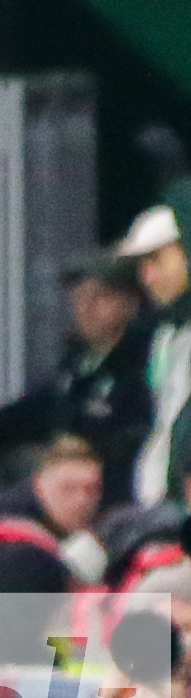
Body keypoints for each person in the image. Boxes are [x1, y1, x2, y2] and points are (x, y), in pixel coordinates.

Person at [0, 249, 148, 503]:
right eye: (79, 298)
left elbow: (138, 430)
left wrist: (82, 447)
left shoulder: (143, 362)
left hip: (117, 496)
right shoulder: (74, 366)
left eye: (99, 297)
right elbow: (38, 409)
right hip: (63, 495)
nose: (86, 308)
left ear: (130, 303)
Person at [0, 436, 104, 668]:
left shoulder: (7, 534)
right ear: (38, 484)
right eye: (67, 488)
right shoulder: (24, 553)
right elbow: (17, 649)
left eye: (92, 490)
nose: (81, 501)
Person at [124, 206, 191, 505]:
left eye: (157, 259)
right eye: (142, 265)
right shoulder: (163, 335)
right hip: (158, 498)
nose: (147, 277)